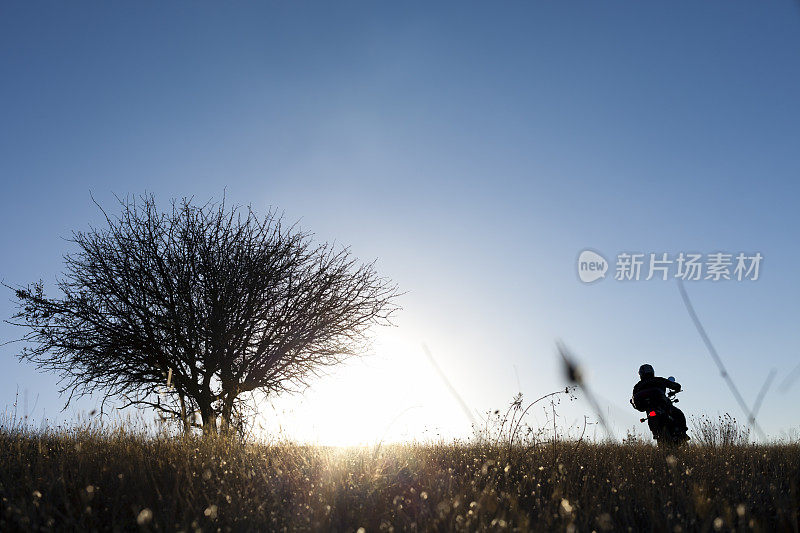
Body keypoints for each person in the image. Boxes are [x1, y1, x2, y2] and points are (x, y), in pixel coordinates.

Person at [631, 364, 687, 432]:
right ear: (652, 372)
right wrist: (676, 388)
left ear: (640, 374)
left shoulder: (637, 386)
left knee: (651, 419)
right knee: (679, 413)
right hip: (662, 404)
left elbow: (633, 398)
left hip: (649, 408)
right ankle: (682, 433)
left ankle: (657, 434)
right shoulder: (659, 380)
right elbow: (675, 386)